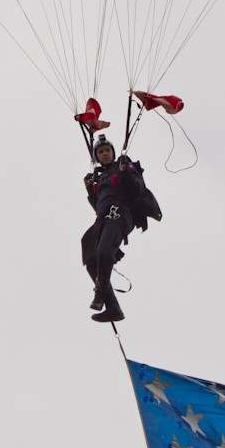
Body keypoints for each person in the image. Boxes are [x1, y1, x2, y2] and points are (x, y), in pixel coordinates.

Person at [82, 134, 162, 322]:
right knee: (91, 256)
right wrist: (90, 190)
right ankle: (113, 308)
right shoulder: (99, 178)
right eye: (100, 152)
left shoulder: (123, 166)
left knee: (104, 251)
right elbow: (98, 206)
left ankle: (100, 293)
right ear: (96, 157)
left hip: (120, 214)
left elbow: (138, 190)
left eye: (107, 150)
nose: (105, 154)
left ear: (113, 152)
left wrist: (126, 172)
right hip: (103, 218)